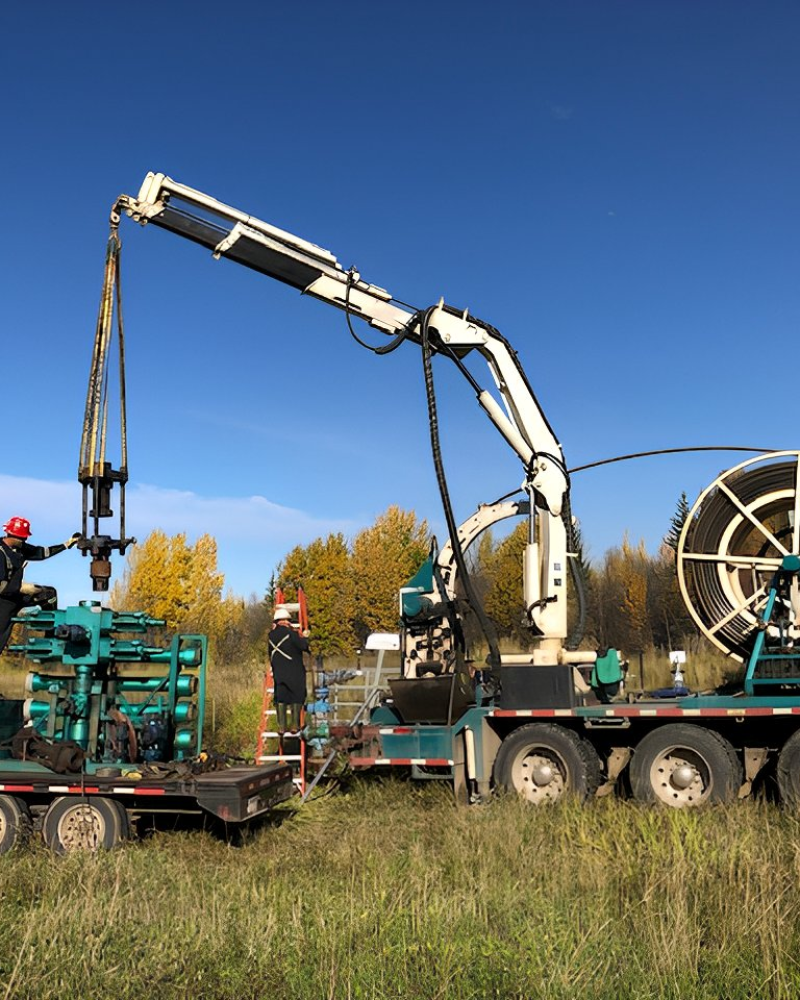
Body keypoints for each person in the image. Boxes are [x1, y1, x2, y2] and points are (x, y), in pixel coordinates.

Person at [0, 517, 80, 654]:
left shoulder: (19, 549)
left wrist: (67, 544)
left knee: (49, 595)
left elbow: (42, 552)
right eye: (23, 539)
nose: (25, 542)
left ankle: (51, 635)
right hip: (3, 600)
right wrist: (22, 587)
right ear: (13, 536)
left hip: (15, 594)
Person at [268, 607, 310, 738]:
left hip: (279, 672)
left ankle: (281, 726)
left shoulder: (270, 636)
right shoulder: (291, 634)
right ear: (286, 621)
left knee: (281, 697)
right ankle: (294, 725)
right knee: (297, 695)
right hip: (294, 671)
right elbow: (303, 646)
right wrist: (304, 636)